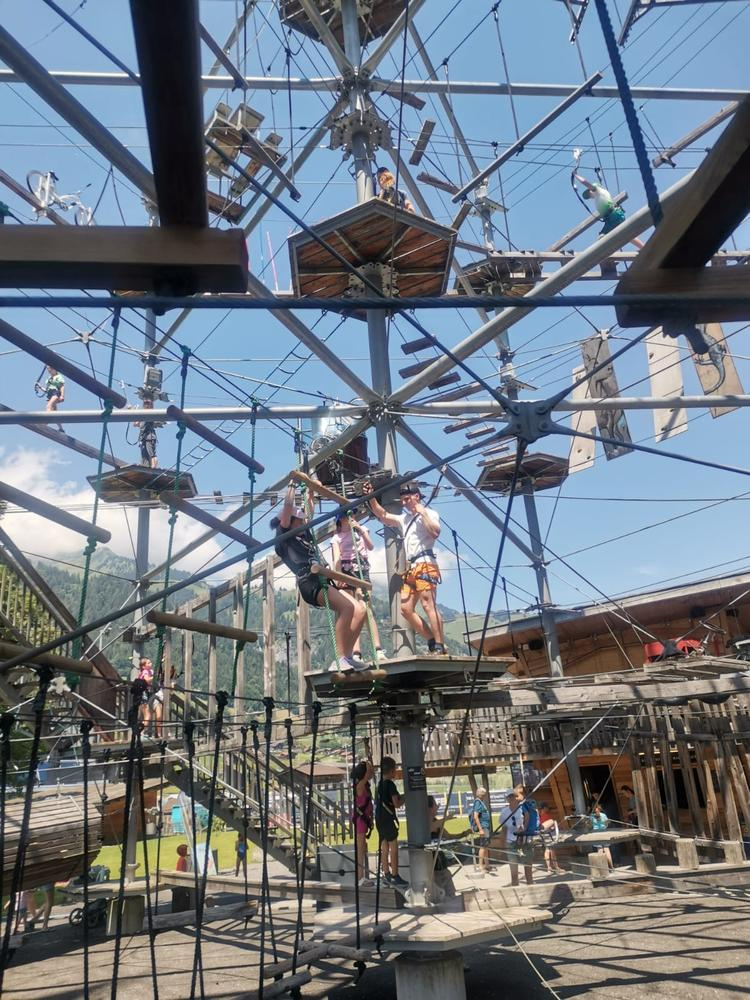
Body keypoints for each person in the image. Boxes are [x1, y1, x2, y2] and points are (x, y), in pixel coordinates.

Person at [272, 483, 365, 672]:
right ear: (290, 522)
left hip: (322, 578)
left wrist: (311, 489)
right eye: (299, 520)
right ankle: (340, 658)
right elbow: (288, 506)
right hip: (309, 581)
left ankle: (347, 656)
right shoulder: (284, 537)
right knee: (347, 607)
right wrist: (292, 485)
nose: (303, 522)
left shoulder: (305, 534)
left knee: (360, 609)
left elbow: (309, 508)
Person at [363, 480, 446, 654]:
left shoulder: (430, 513)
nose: (405, 503)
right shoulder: (404, 519)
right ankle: (432, 640)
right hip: (411, 567)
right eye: (403, 500)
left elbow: (435, 532)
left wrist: (422, 513)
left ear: (417, 497)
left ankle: (439, 644)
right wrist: (371, 497)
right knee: (406, 608)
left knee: (428, 604)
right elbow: (383, 515)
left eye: (407, 499)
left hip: (425, 563)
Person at [331, 513, 384, 663]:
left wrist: (360, 529)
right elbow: (336, 558)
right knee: (354, 611)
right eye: (347, 516)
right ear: (341, 519)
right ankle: (356, 652)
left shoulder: (362, 531)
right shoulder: (336, 538)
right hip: (346, 571)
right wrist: (338, 576)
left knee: (366, 608)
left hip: (361, 570)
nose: (351, 518)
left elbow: (371, 546)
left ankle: (377, 649)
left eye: (352, 515)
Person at [573, 173, 644, 250]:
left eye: (589, 193)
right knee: (626, 234)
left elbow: (585, 182)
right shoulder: (599, 197)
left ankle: (606, 256)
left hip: (613, 215)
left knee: (602, 237)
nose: (590, 195)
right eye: (589, 195)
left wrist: (576, 175)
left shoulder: (598, 191)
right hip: (614, 216)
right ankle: (643, 247)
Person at [375, 756, 408, 888]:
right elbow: (396, 803)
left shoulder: (379, 784)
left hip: (379, 818)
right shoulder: (390, 784)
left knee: (384, 847)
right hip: (388, 819)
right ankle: (395, 875)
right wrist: (406, 797)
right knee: (393, 847)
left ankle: (386, 874)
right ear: (392, 770)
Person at [351, 756, 375, 887]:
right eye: (368, 772)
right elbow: (369, 772)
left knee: (363, 848)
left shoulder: (365, 786)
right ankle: (360, 878)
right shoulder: (360, 786)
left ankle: (362, 876)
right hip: (360, 821)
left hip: (364, 820)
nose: (371, 773)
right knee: (360, 850)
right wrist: (367, 763)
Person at [427, 795, 456, 898]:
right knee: (437, 883)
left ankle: (450, 894)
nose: (437, 807)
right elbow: (431, 827)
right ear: (430, 808)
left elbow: (448, 836)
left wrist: (464, 833)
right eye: (435, 805)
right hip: (430, 861)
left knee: (447, 876)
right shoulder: (424, 822)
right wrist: (447, 818)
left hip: (440, 859)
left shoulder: (437, 821)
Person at [538, 803, 564, 875]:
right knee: (552, 850)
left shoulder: (539, 816)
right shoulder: (546, 816)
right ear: (544, 808)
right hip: (548, 834)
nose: (548, 809)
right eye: (547, 807)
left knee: (547, 850)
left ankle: (549, 868)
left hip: (543, 835)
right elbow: (550, 826)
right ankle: (556, 867)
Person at [470, 787, 492, 875]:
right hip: (483, 827)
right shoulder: (477, 802)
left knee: (486, 846)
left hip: (485, 826)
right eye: (484, 794)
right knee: (483, 846)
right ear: (482, 794)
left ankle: (487, 864)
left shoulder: (480, 802)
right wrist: (480, 829)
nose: (485, 796)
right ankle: (480, 866)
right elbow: (476, 817)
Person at [135, 397, 159, 469]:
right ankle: (145, 467)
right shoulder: (142, 414)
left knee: (151, 453)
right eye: (145, 403)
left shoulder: (150, 413)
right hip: (143, 437)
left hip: (149, 436)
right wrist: (134, 413)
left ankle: (154, 467)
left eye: (148, 403)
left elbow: (151, 409)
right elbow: (135, 424)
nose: (146, 405)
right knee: (144, 454)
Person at [589, 802, 613, 870]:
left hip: (596, 834)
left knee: (600, 850)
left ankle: (603, 868)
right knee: (607, 849)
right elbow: (606, 824)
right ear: (599, 808)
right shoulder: (603, 815)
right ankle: (611, 867)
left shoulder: (591, 816)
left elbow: (590, 825)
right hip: (604, 832)